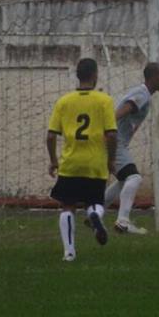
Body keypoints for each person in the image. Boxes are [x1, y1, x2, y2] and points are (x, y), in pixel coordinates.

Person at [46, 58, 117, 262]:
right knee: (95, 201)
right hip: (95, 163)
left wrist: (53, 160)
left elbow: (50, 136)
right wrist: (111, 160)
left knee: (67, 206)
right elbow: (112, 134)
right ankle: (94, 215)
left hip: (71, 164)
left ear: (77, 75)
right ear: (95, 75)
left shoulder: (64, 101)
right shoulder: (104, 101)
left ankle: (69, 252)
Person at [101, 62, 159, 235]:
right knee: (134, 178)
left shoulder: (144, 95)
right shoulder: (142, 93)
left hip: (116, 141)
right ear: (153, 77)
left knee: (124, 180)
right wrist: (108, 131)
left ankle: (96, 213)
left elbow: (131, 119)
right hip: (114, 140)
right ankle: (123, 221)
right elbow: (123, 111)